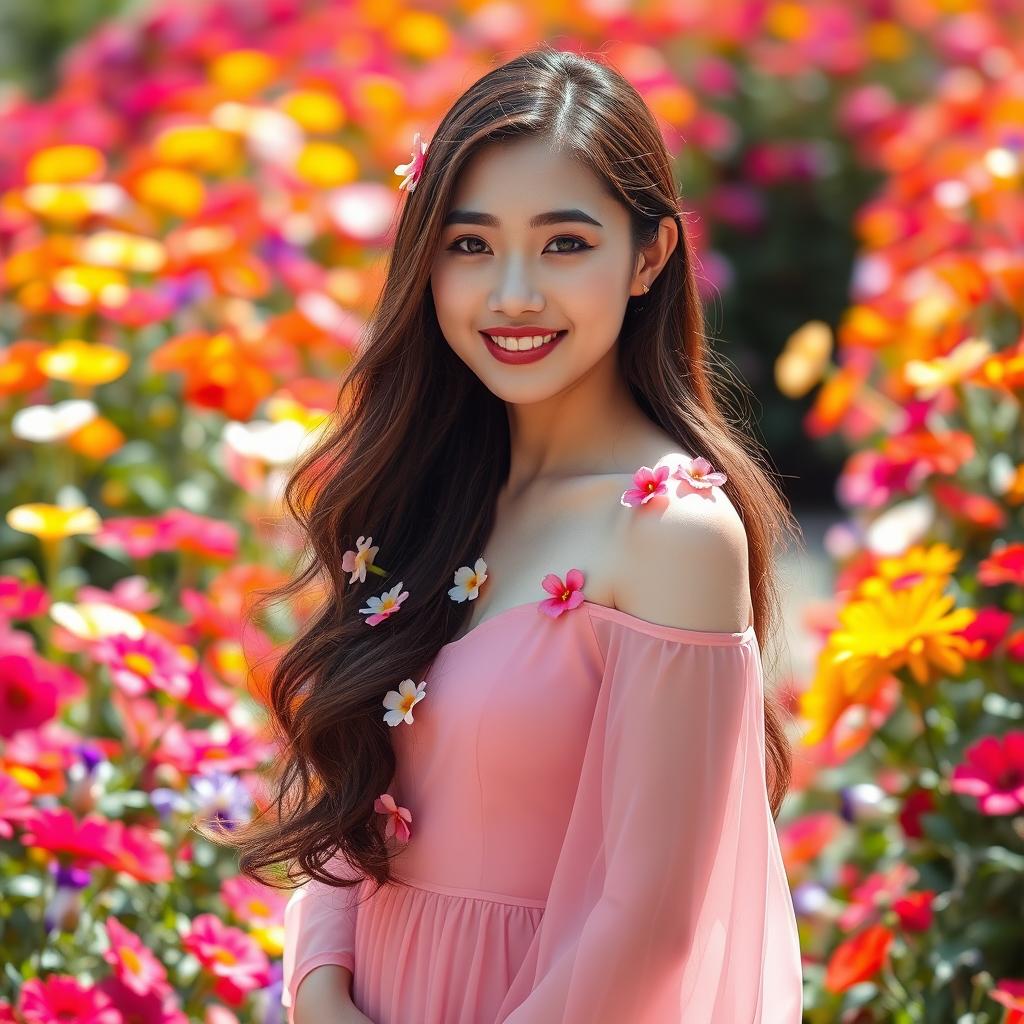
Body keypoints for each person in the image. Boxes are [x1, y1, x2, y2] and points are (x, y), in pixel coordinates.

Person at [224, 44, 805, 1023]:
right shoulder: (420, 496)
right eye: (470, 244)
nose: (513, 295)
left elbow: (650, 921)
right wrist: (320, 993)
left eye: (565, 243)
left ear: (649, 256)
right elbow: (352, 798)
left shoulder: (671, 533)